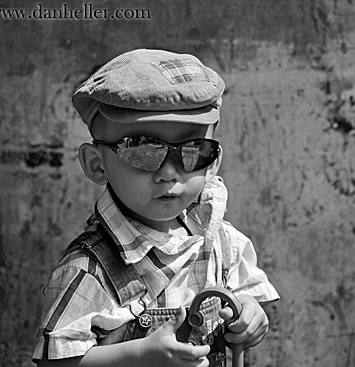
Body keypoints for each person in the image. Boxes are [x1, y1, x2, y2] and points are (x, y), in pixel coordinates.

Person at [33, 49, 279, 367]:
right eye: (142, 150)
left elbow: (246, 299)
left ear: (213, 162)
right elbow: (54, 363)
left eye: (194, 151)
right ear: (97, 164)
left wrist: (249, 314)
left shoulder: (221, 242)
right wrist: (140, 354)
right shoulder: (90, 270)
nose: (169, 172)